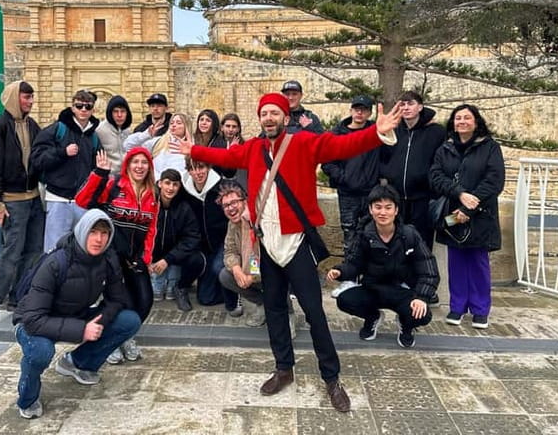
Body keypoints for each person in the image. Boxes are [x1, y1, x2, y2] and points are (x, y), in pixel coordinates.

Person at [172, 91, 401, 413]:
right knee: (275, 309)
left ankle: (331, 378)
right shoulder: (252, 148)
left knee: (314, 312)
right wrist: (193, 149)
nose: (269, 118)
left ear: (285, 117)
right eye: (264, 113)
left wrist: (377, 132)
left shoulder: (304, 142)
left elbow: (342, 146)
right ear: (259, 118)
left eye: (274, 113)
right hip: (266, 244)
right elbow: (225, 157)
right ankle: (284, 368)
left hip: (295, 244)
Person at [12, 209, 140, 419]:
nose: (99, 239)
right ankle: (28, 397)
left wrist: (99, 322)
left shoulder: (108, 259)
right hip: (34, 322)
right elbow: (33, 319)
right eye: (93, 232)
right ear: (82, 231)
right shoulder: (56, 262)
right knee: (40, 352)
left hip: (75, 314)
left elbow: (117, 299)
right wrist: (82, 330)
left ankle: (77, 363)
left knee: (128, 320)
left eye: (104, 233)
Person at [328, 184, 439, 348]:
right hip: (373, 288)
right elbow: (354, 263)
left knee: (422, 314)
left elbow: (429, 270)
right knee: (344, 300)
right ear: (371, 209)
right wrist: (340, 271)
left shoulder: (409, 234)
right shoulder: (364, 234)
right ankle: (372, 317)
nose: (383, 212)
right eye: (378, 207)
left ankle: (406, 325)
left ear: (396, 210)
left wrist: (421, 297)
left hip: (402, 289)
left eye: (388, 207)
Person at [75, 147, 158, 364]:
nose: (139, 166)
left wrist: (146, 257)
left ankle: (124, 336)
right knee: (121, 301)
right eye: (135, 162)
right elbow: (82, 200)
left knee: (145, 301)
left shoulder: (153, 194)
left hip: (134, 258)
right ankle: (108, 342)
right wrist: (99, 174)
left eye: (144, 162)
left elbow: (151, 229)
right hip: (110, 256)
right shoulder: (114, 185)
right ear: (127, 165)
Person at [430, 104, 505, 330]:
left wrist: (468, 208)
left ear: (476, 122)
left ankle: (480, 310)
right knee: (456, 261)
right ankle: (457, 306)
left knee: (478, 262)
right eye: (458, 118)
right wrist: (459, 194)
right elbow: (435, 176)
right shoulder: (445, 148)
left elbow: (494, 181)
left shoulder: (490, 147)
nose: (462, 121)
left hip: (479, 214)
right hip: (453, 214)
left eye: (467, 118)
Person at [0, 81, 44, 321]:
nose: (30, 102)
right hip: (12, 201)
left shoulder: (32, 125)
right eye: (26, 97)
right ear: (14, 98)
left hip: (34, 198)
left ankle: (18, 296)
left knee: (34, 251)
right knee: (12, 253)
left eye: (31, 97)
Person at [322, 95, 380, 298]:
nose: (359, 113)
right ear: (351, 110)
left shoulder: (375, 132)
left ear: (369, 112)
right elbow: (326, 161)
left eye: (364, 109)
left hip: (371, 193)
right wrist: (343, 177)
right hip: (347, 194)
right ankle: (349, 278)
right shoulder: (337, 133)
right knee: (349, 236)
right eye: (356, 109)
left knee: (372, 235)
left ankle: (369, 279)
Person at [31, 89, 102, 252]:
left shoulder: (94, 137)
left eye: (88, 107)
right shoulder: (57, 129)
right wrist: (62, 152)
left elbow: (96, 168)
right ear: (72, 107)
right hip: (58, 198)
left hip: (82, 201)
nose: (83, 110)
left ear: (93, 110)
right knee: (54, 250)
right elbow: (37, 158)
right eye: (79, 106)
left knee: (82, 249)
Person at [379, 90, 446, 253]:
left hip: (423, 199)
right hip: (396, 198)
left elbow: (443, 162)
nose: (406, 108)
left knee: (421, 245)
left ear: (420, 107)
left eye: (410, 104)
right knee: (396, 244)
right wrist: (386, 177)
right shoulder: (393, 130)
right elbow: (382, 157)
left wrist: (433, 186)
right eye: (402, 104)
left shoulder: (436, 132)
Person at [182, 159, 239, 313]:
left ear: (208, 167)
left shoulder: (222, 188)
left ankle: (235, 295)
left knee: (217, 268)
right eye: (193, 168)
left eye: (201, 167)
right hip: (203, 245)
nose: (197, 172)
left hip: (224, 242)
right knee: (205, 298)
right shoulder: (185, 190)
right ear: (188, 171)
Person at [150, 168, 205, 312]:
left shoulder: (185, 207)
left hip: (174, 256)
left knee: (197, 260)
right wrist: (146, 258)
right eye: (167, 183)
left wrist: (168, 259)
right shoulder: (149, 203)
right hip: (152, 255)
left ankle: (180, 286)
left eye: (175, 184)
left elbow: (192, 238)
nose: (171, 188)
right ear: (160, 183)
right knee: (154, 294)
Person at [218, 179, 266, 327]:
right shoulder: (232, 224)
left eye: (234, 202)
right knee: (225, 276)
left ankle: (288, 312)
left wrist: (252, 276)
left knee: (278, 277)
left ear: (244, 201)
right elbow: (230, 250)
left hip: (268, 269)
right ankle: (263, 304)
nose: (230, 208)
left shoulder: (257, 220)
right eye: (226, 205)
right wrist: (236, 269)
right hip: (250, 269)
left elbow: (257, 253)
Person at [125, 112, 193, 177]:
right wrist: (146, 135)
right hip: (156, 183)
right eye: (171, 123)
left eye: (179, 123)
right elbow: (128, 146)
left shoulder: (193, 146)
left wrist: (192, 152)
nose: (174, 125)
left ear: (186, 126)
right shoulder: (159, 141)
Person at [96, 95, 133, 174]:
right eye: (116, 111)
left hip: (126, 175)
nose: (119, 115)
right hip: (108, 176)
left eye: (123, 111)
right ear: (110, 113)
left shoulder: (127, 131)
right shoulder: (100, 130)